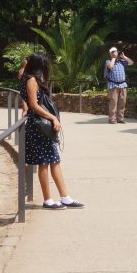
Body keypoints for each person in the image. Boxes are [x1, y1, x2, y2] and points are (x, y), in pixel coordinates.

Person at [20, 53, 84, 210]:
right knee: (44, 163)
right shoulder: (31, 80)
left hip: (42, 126)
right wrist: (53, 118)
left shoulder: (30, 78)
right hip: (39, 127)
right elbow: (34, 105)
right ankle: (48, 200)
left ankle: (65, 197)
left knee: (54, 160)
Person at [105, 46, 133, 125]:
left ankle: (120, 118)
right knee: (113, 102)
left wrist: (124, 56)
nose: (116, 53)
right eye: (114, 52)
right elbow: (110, 66)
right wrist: (113, 58)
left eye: (116, 51)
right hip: (113, 85)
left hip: (122, 84)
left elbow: (131, 62)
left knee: (122, 102)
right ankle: (112, 119)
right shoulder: (108, 61)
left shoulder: (121, 61)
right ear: (111, 53)